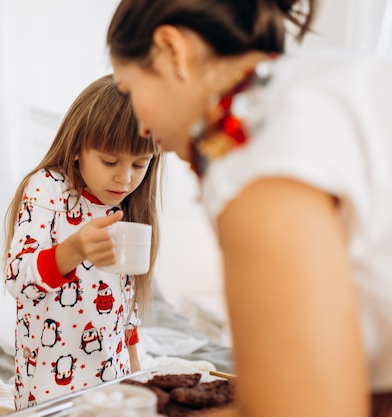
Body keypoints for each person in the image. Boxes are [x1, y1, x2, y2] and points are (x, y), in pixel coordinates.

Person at [106, 1, 392, 416]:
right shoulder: (324, 83)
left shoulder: (257, 146)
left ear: (172, 49)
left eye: (128, 91)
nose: (143, 129)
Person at [4, 74, 163, 409]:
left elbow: (126, 308)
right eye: (109, 162)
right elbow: (19, 278)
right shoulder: (48, 189)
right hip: (49, 386)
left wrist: (135, 373)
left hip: (113, 381)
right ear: (77, 148)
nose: (125, 178)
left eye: (139, 164)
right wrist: (73, 250)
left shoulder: (128, 205)